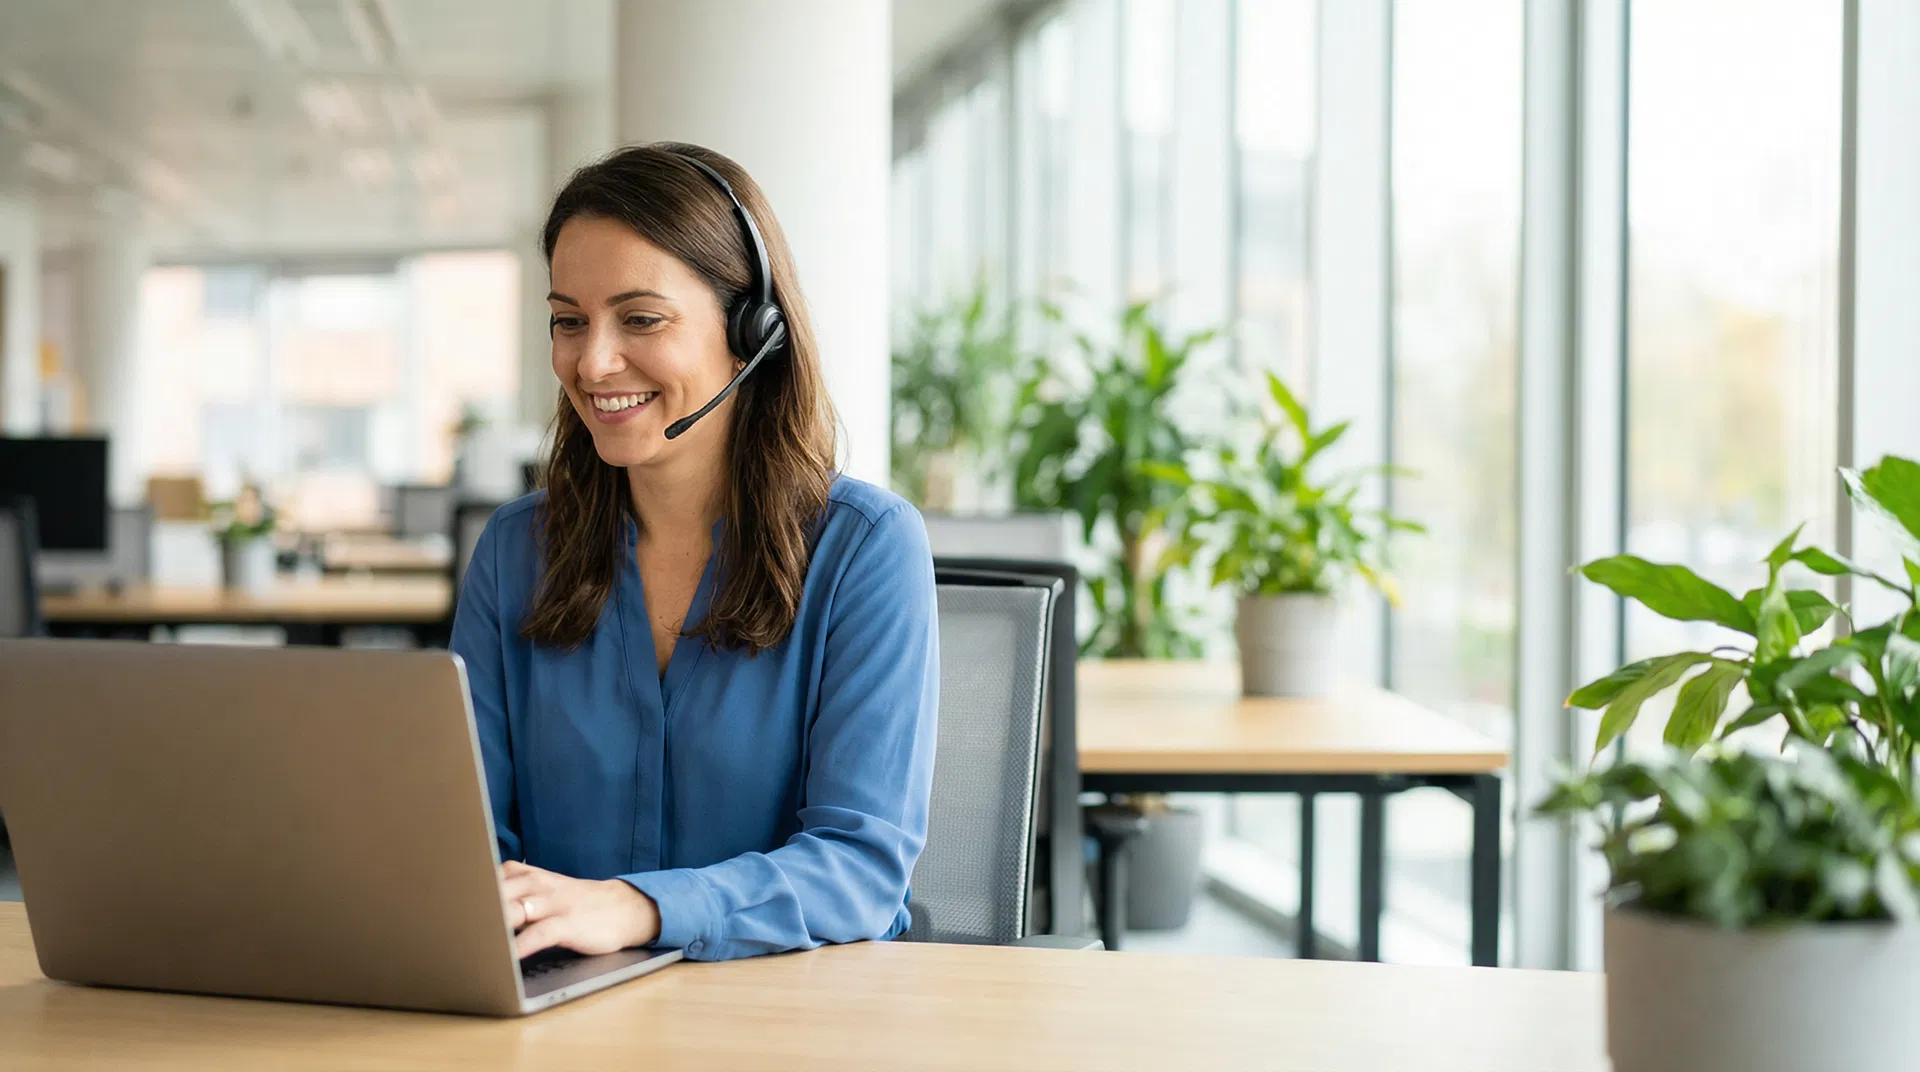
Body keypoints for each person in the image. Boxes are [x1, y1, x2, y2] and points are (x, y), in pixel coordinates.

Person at [451, 143, 939, 963]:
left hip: (793, 1018)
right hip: (559, 1015)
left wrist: (642, 907)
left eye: (641, 318)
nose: (592, 360)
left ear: (753, 330)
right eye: (569, 320)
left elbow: (860, 870)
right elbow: (466, 846)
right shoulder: (516, 551)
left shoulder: (863, 550)